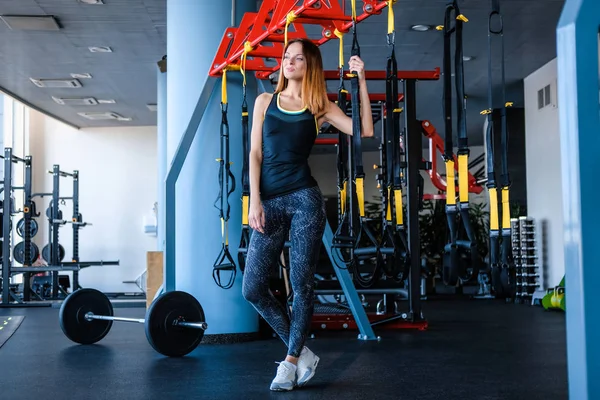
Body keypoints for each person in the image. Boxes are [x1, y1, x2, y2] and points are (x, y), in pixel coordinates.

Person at [242, 37, 374, 391]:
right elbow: (255, 153)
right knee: (252, 288)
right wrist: (254, 200)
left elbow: (364, 131)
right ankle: (302, 352)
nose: (289, 62)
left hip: (304, 201)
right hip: (268, 202)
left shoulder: (319, 106)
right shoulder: (264, 102)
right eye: (287, 57)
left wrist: (361, 80)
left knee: (301, 286)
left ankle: (289, 363)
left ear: (309, 65)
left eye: (298, 58)